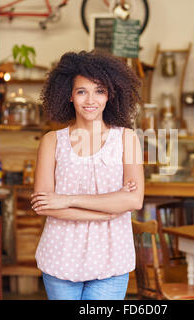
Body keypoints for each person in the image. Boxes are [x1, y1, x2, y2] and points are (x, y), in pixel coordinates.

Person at [31, 50, 145, 300]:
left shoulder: (128, 139)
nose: (90, 100)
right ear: (69, 96)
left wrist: (67, 200)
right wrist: (110, 209)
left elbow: (134, 201)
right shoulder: (51, 142)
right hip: (60, 257)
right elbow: (43, 205)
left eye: (99, 91)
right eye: (82, 91)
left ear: (110, 95)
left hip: (111, 259)